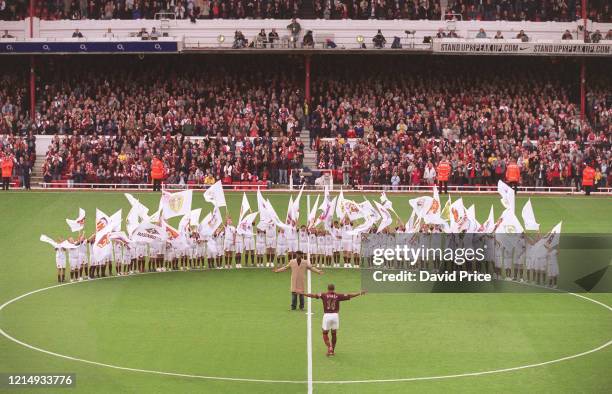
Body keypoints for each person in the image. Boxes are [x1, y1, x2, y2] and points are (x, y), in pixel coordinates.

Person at [301, 284, 366, 356]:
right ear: (334, 289)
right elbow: (350, 295)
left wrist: (303, 293)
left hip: (327, 316)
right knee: (334, 333)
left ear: (327, 289)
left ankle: (329, 347)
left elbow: (313, 295)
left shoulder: (323, 295)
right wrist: (359, 293)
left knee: (325, 333)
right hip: (335, 316)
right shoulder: (338, 295)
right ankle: (333, 351)